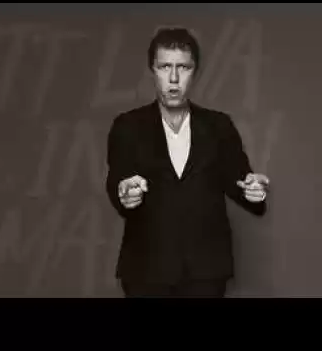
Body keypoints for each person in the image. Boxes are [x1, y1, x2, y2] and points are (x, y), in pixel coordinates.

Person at [105, 26, 270, 298]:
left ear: (195, 72)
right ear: (152, 70)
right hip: (146, 271)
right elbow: (117, 179)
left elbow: (240, 180)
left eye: (183, 67)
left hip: (206, 271)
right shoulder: (127, 126)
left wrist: (254, 192)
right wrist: (123, 193)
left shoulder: (219, 126)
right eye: (164, 67)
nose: (173, 78)